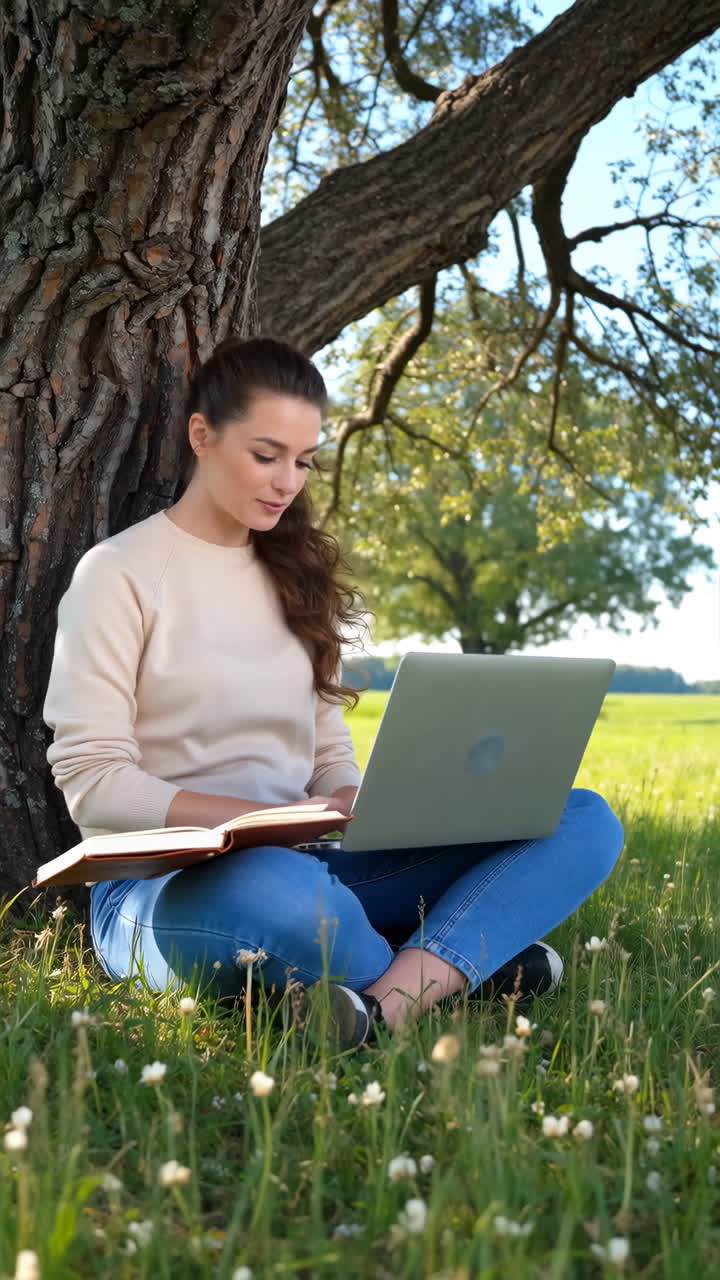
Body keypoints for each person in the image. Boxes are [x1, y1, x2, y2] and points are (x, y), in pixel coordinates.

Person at [44, 336, 624, 1052]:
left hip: (313, 860)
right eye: (266, 455)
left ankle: (384, 1004)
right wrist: (266, 819)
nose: (288, 481)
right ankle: (461, 964)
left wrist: (354, 801)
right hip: (162, 889)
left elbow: (327, 754)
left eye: (304, 460)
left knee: (582, 818)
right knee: (290, 900)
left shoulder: (297, 576)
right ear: (202, 435)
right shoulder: (120, 574)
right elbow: (93, 783)